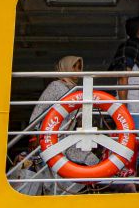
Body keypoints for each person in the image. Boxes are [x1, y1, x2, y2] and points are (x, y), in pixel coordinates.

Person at [28, 55, 99, 195]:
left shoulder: (74, 90)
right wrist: (36, 136)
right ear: (65, 67)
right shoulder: (55, 86)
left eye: (80, 68)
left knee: (92, 160)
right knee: (57, 180)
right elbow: (37, 114)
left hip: (68, 142)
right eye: (75, 67)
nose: (79, 71)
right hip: (50, 142)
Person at [109, 16, 139, 181]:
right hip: (131, 107)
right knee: (131, 146)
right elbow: (123, 77)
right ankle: (127, 182)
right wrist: (123, 110)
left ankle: (134, 181)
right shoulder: (129, 48)